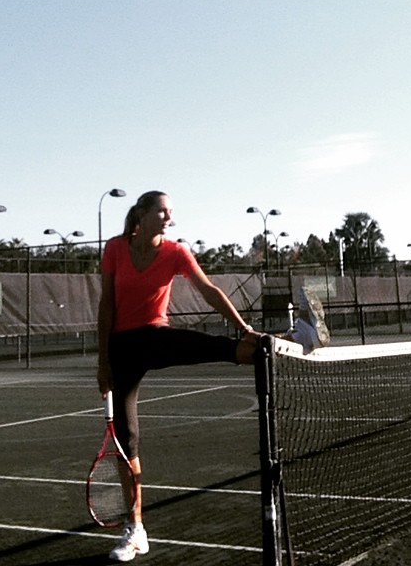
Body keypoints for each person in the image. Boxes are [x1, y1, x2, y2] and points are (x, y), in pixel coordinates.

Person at [96, 190, 260, 562]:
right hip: (122, 348)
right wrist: (102, 362)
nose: (169, 217)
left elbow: (209, 291)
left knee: (219, 347)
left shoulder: (176, 251)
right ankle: (135, 529)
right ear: (142, 214)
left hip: (156, 337)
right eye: (162, 211)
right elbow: (106, 305)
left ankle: (271, 346)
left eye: (171, 213)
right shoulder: (115, 248)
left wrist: (243, 326)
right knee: (126, 442)